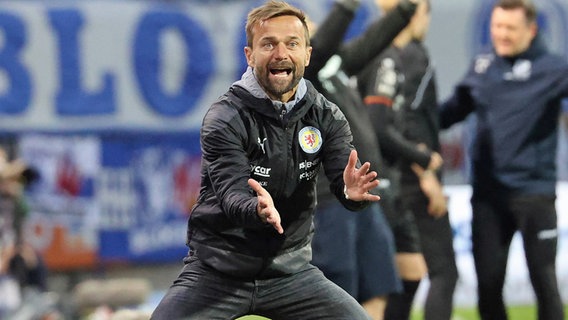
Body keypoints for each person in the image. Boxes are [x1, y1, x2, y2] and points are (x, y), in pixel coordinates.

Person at [151, 1, 382, 319]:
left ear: (307, 55)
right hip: (220, 271)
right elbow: (232, 194)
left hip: (290, 272)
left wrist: (351, 195)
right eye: (268, 44)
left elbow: (343, 176)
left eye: (292, 44)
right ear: (250, 55)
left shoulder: (326, 115)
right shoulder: (225, 117)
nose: (281, 54)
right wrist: (256, 210)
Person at [438, 0, 568, 319]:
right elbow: (453, 110)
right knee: (489, 284)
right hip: (488, 196)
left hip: (534, 193)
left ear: (531, 30)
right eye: (497, 26)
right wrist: (416, 124)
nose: (501, 34)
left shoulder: (554, 69)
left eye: (510, 28)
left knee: (545, 282)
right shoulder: (483, 65)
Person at [303, 0, 421, 319]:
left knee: (377, 287)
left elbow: (373, 40)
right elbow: (324, 42)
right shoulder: (301, 77)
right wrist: (346, 5)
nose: (315, 36)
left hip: (365, 197)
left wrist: (406, 8)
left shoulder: (336, 65)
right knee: (339, 294)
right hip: (330, 201)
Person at [358, 1, 458, 319]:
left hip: (392, 178)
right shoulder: (406, 56)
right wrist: (424, 165)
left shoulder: (376, 54)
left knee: (407, 274)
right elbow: (400, 123)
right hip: (402, 178)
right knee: (440, 272)